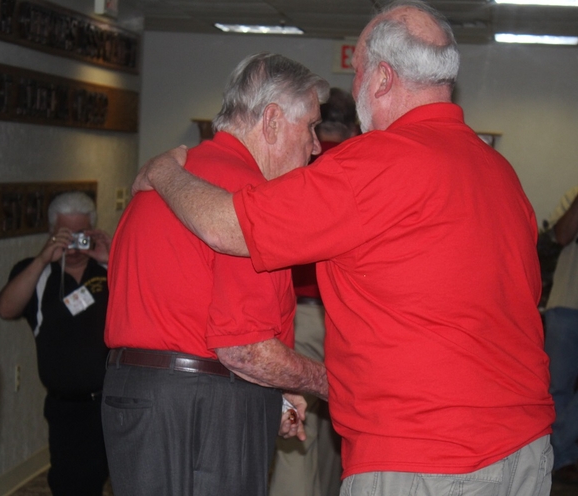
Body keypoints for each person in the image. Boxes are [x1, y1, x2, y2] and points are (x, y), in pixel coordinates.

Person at [132, 1, 556, 494]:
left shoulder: (373, 164)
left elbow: (229, 228)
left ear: (380, 79)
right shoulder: (497, 171)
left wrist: (163, 171)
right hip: (524, 448)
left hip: (425, 456)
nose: (353, 89)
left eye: (356, 72)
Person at [102, 53, 329, 496]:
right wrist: (331, 382)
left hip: (132, 392)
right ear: (273, 121)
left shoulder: (164, 178)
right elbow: (244, 349)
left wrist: (273, 394)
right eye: (312, 127)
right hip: (202, 407)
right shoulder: (248, 196)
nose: (317, 146)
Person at [269, 87, 358, 496]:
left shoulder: (300, 163)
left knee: (297, 435)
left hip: (302, 313)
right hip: (348, 319)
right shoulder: (362, 165)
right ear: (354, 122)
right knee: (334, 430)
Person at [0, 192, 111, 496]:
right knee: (71, 484)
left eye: (81, 234)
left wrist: (111, 258)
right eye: (66, 234)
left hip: (112, 400)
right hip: (66, 408)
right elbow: (6, 308)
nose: (73, 243)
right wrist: (43, 258)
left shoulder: (107, 270)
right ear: (51, 232)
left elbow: (149, 302)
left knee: (124, 479)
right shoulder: (37, 273)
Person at [543, 185, 578, 483]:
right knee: (556, 389)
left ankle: (561, 451)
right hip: (566, 304)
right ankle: (561, 458)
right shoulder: (573, 194)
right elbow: (561, 235)